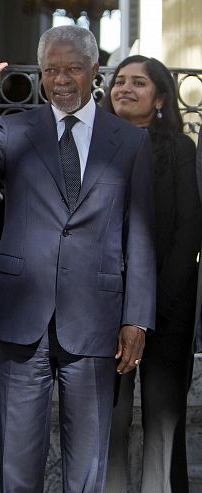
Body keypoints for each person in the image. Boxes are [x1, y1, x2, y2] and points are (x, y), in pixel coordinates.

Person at [0, 25, 156, 491]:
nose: (61, 80)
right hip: (23, 318)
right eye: (51, 70)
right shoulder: (14, 129)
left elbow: (138, 235)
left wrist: (137, 319)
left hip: (96, 319)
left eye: (72, 69)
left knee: (87, 465)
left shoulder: (130, 141)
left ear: (95, 72)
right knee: (18, 462)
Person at [101, 55, 202, 493]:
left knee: (163, 417)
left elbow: (188, 229)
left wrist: (151, 306)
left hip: (167, 302)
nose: (124, 88)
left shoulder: (180, 149)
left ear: (160, 97)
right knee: (111, 417)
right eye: (119, 81)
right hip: (105, 304)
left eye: (138, 82)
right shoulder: (94, 145)